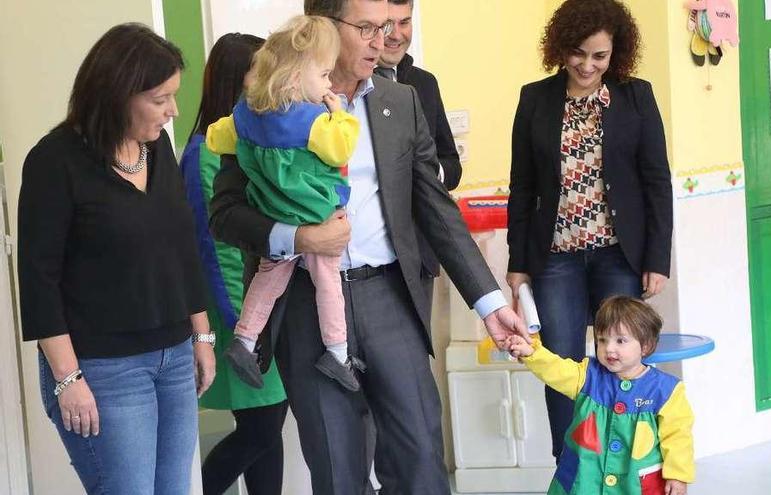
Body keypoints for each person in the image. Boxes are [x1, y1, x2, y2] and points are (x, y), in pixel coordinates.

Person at [209, 0, 528, 493]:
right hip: (303, 305)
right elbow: (225, 214)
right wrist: (298, 238)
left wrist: (489, 303)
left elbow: (437, 210)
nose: (383, 40)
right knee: (337, 472)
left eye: (386, 26)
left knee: (421, 456)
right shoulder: (266, 106)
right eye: (366, 28)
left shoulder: (400, 103)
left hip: (390, 298)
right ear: (325, 29)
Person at [17, 23, 214, 494]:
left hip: (173, 355)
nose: (173, 112)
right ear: (117, 93)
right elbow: (39, 279)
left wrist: (201, 335)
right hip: (104, 368)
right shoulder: (54, 161)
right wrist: (68, 380)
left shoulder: (157, 148)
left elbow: (181, 246)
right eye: (160, 98)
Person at [506, 0, 673, 461]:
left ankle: (619, 460)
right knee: (560, 364)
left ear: (615, 54)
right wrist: (518, 264)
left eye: (599, 56)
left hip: (619, 256)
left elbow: (657, 181)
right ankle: (572, 464)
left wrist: (657, 260)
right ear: (561, 48)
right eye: (578, 53)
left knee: (622, 360)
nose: (587, 65)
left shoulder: (636, 96)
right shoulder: (535, 98)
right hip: (555, 258)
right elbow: (522, 187)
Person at [206, 16, 361, 391]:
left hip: (274, 213)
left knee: (267, 278)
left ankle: (244, 340)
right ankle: (338, 352)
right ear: (295, 78)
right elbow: (342, 146)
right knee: (329, 284)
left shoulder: (244, 114)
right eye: (324, 75)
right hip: (317, 212)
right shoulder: (314, 121)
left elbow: (215, 138)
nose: (329, 83)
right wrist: (339, 112)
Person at [179, 32, 290, 495]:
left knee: (268, 425)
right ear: (236, 77)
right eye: (261, 70)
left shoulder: (241, 143)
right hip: (238, 312)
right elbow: (215, 250)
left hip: (258, 309)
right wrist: (247, 328)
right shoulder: (206, 151)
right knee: (261, 427)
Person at [507, 296, 694, 495]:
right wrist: (531, 352)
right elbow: (556, 369)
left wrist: (678, 474)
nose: (609, 348)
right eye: (603, 340)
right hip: (586, 480)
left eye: (620, 340)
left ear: (645, 346)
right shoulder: (587, 375)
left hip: (633, 484)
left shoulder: (666, 390)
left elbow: (678, 436)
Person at [374, 0, 462, 317]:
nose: (396, 35)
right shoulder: (348, 85)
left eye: (405, 22)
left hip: (419, 254)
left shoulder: (425, 83)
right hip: (368, 257)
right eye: (387, 25)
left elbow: (451, 165)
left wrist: (427, 169)